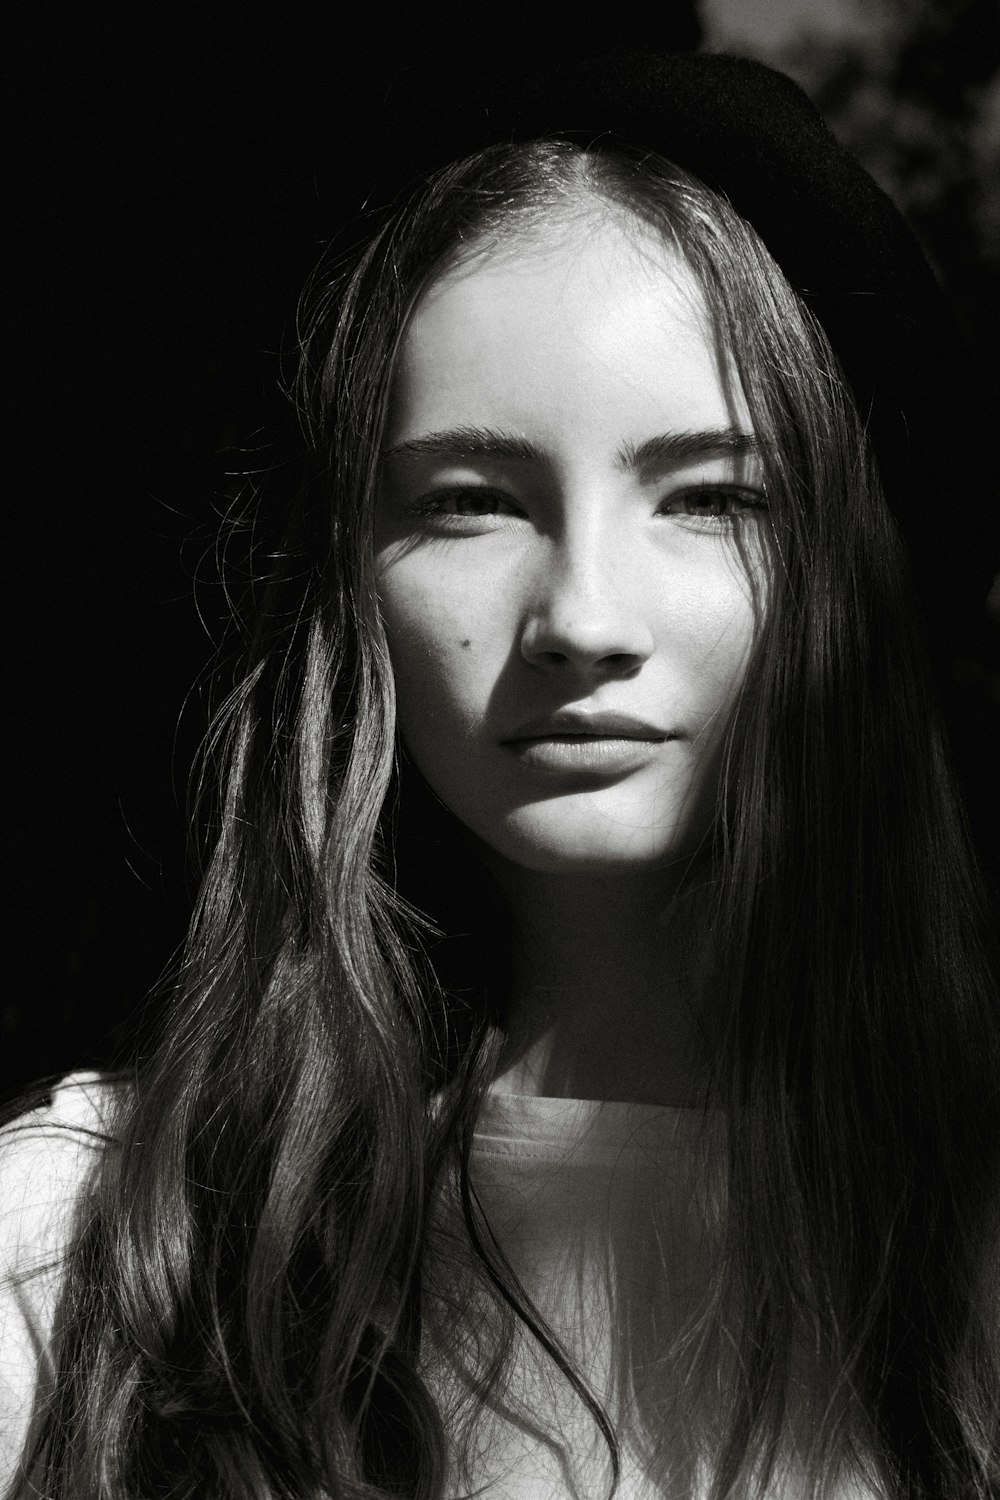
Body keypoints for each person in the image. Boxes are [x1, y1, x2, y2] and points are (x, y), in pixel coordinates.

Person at [2, 49, 998, 1500]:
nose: (584, 618)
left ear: (853, 565)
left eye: (713, 496)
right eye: (470, 501)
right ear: (343, 575)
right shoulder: (94, 1244)